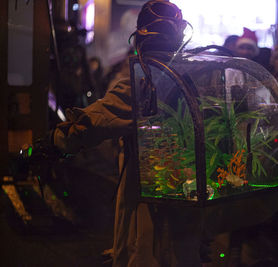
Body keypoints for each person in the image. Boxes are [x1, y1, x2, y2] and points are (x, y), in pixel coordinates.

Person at [51, 1, 195, 266]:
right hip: (191, 193)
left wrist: (54, 141)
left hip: (150, 189)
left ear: (140, 36)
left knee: (142, 249)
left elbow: (94, 122)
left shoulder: (142, 81)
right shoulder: (194, 76)